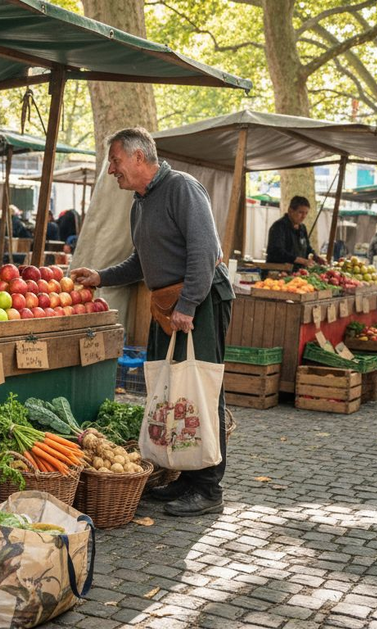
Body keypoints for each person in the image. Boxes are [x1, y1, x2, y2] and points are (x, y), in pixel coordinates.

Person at [70, 127, 233, 518]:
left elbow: (204, 251)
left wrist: (189, 304)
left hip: (201, 300)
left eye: (115, 160)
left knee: (202, 387)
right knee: (172, 389)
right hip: (168, 305)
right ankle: (186, 475)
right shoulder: (140, 203)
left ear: (139, 157)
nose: (111, 170)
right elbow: (142, 262)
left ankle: (209, 488)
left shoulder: (182, 188)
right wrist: (101, 277)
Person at [266, 196, 320, 268]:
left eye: (306, 213)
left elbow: (307, 249)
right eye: (300, 212)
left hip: (298, 272)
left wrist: (316, 257)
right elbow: (277, 252)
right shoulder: (278, 227)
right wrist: (303, 261)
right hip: (279, 271)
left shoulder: (302, 228)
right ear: (290, 211)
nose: (303, 216)